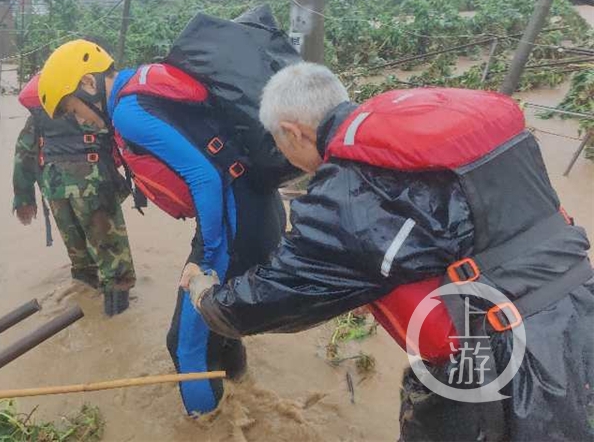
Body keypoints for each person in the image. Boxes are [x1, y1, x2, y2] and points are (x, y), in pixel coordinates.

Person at [186, 62, 594, 442]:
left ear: (294, 132)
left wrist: (206, 296)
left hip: (502, 363)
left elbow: (269, 299)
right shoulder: (415, 147)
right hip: (579, 306)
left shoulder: (349, 192)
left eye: (280, 145)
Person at [36, 39, 286, 416]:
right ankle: (241, 396)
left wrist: (202, 255)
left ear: (88, 84)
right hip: (258, 208)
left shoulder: (128, 112)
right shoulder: (141, 87)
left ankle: (207, 427)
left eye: (74, 110)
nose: (80, 121)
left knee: (186, 347)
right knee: (219, 321)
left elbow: (203, 178)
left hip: (234, 222)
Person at [13, 73, 135, 316]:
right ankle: (117, 319)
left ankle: (84, 306)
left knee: (79, 257)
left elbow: (23, 153)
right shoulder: (93, 103)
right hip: (93, 185)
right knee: (113, 256)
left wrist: (24, 198)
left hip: (55, 187)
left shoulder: (40, 109)